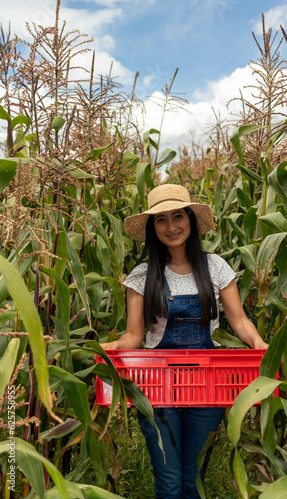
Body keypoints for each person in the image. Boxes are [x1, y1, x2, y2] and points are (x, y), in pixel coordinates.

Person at [101, 184, 268, 499]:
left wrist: (260, 346)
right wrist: (106, 348)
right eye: (161, 220)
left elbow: (240, 321)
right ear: (153, 228)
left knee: (194, 480)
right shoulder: (142, 275)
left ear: (191, 220)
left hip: (207, 385)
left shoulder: (215, 267)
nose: (171, 226)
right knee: (169, 482)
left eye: (177, 216)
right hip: (157, 387)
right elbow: (134, 335)